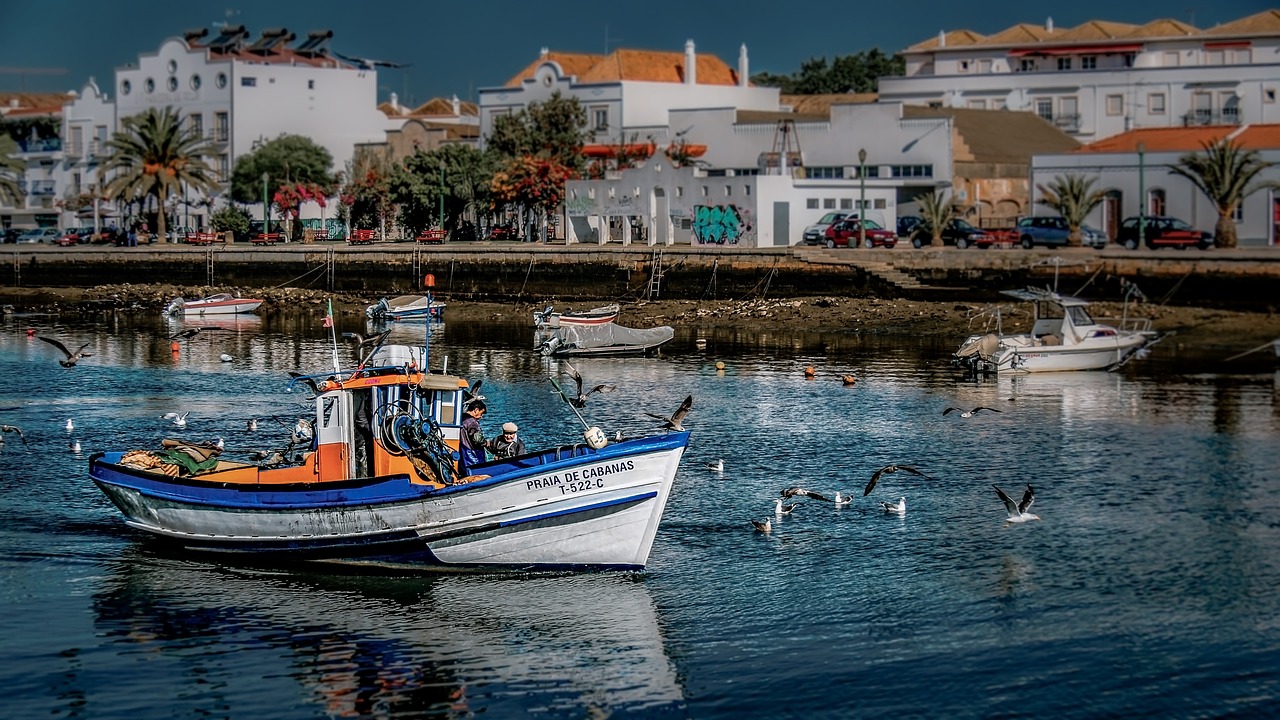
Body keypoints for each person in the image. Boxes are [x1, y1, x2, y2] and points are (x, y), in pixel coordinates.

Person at [459, 400, 488, 476]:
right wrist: (486, 443)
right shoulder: (472, 422)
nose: (481, 417)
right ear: (476, 410)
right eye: (481, 413)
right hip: (472, 456)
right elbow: (477, 439)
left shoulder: (461, 419)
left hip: (463, 454)